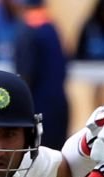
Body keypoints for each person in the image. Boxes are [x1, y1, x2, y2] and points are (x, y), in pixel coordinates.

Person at [11, 0, 69, 149]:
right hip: (58, 103)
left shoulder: (28, 29)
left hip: (37, 106)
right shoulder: (51, 26)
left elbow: (26, 72)